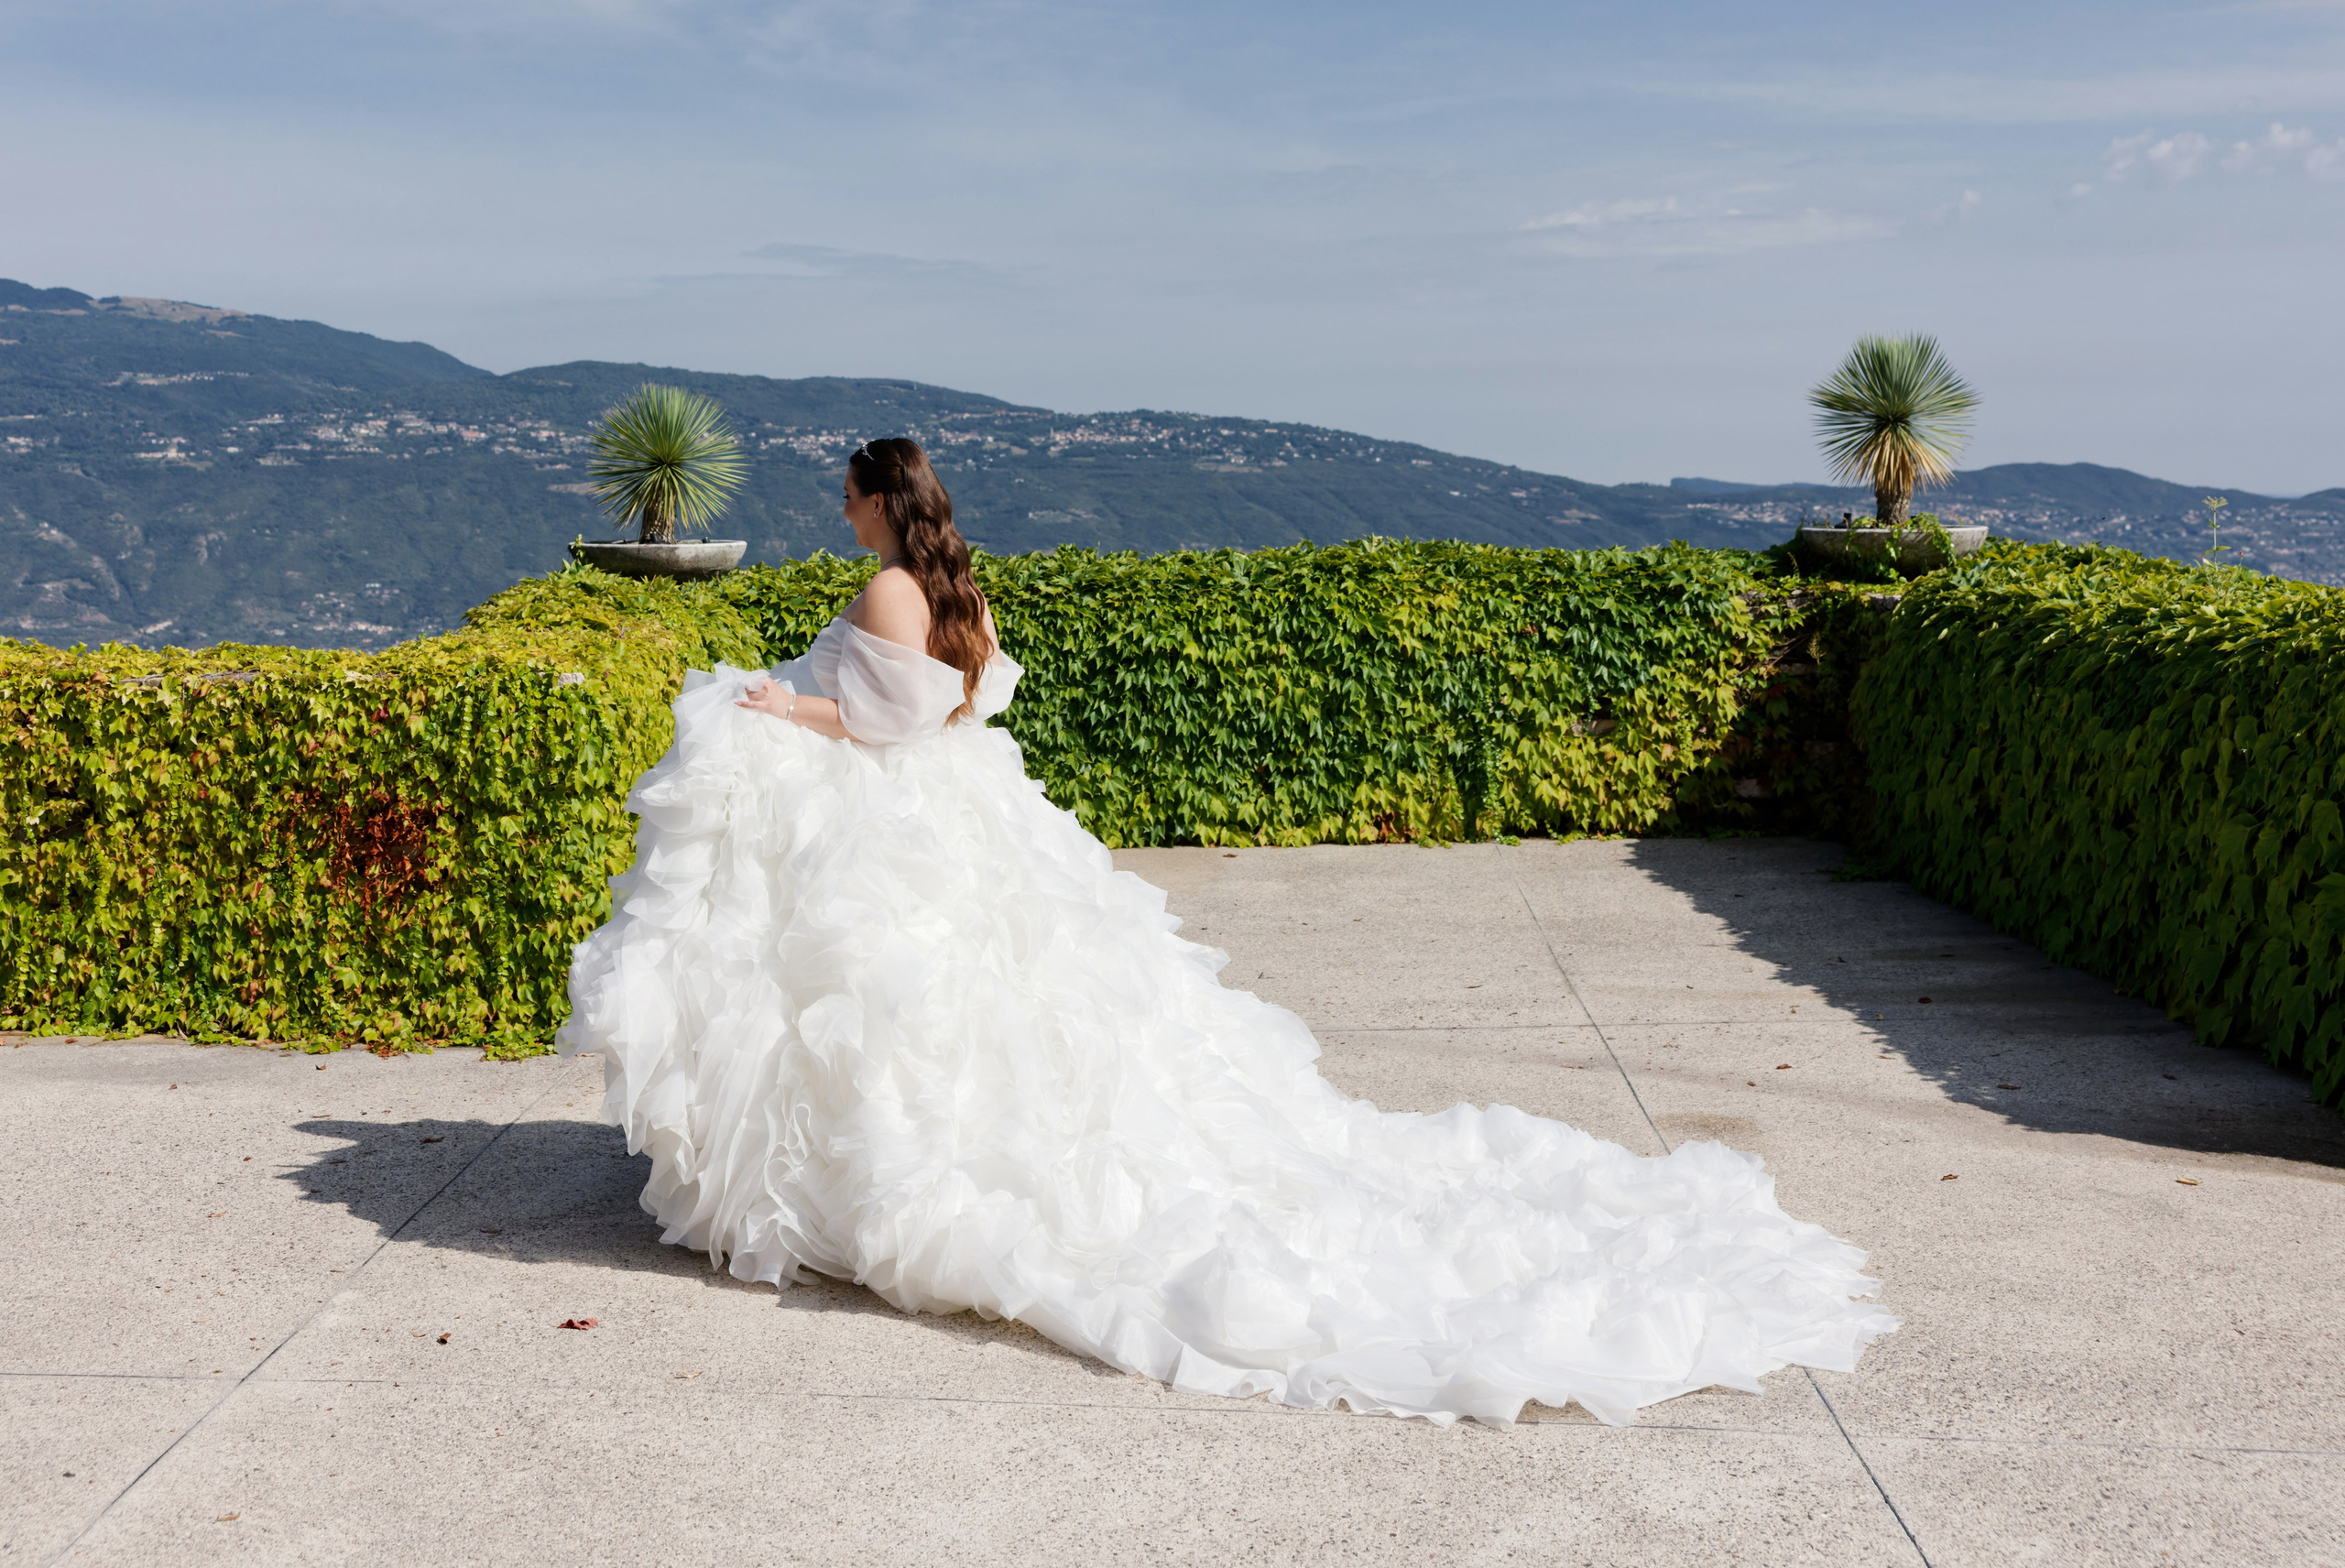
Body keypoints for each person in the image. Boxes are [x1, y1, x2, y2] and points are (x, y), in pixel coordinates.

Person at [558, 437, 1896, 1427]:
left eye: (844, 496)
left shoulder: (895, 592)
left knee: (908, 1015)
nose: (838, 513)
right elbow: (964, 708)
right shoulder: (959, 585)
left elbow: (892, 722)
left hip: (899, 818)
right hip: (967, 809)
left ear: (873, 500)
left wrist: (779, 711)